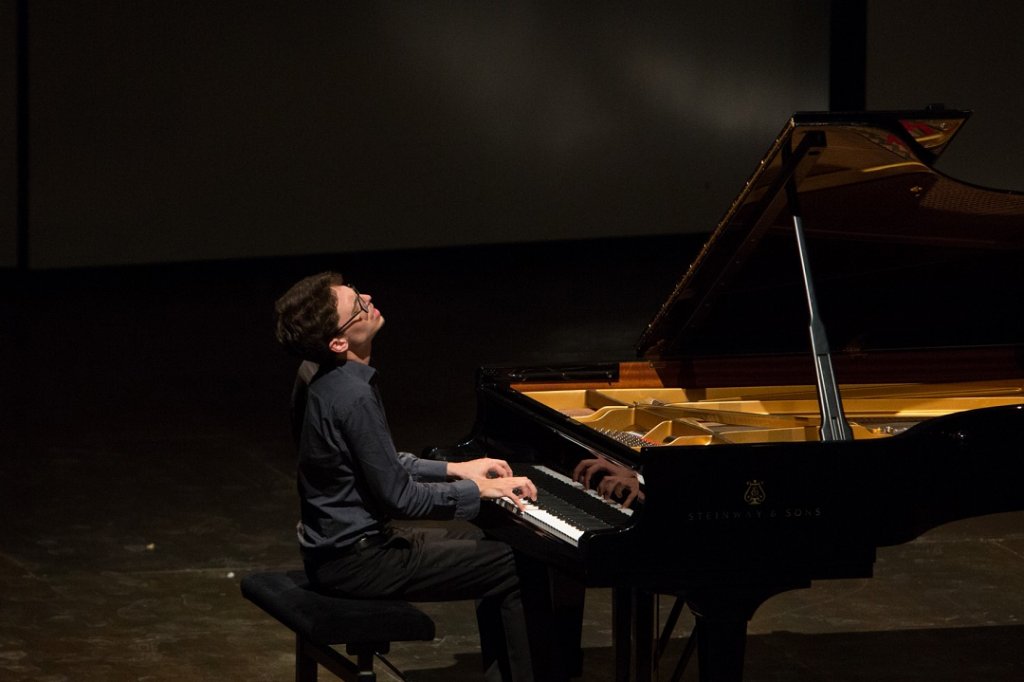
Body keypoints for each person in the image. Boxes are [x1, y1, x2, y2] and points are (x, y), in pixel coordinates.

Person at [273, 271, 568, 682]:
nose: (368, 298)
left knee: (501, 541)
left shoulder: (319, 375)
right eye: (357, 305)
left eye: (358, 292)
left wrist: (456, 469)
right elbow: (401, 499)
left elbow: (381, 464)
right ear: (338, 342)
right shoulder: (351, 395)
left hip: (340, 552)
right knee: (521, 563)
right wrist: (478, 489)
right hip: (360, 562)